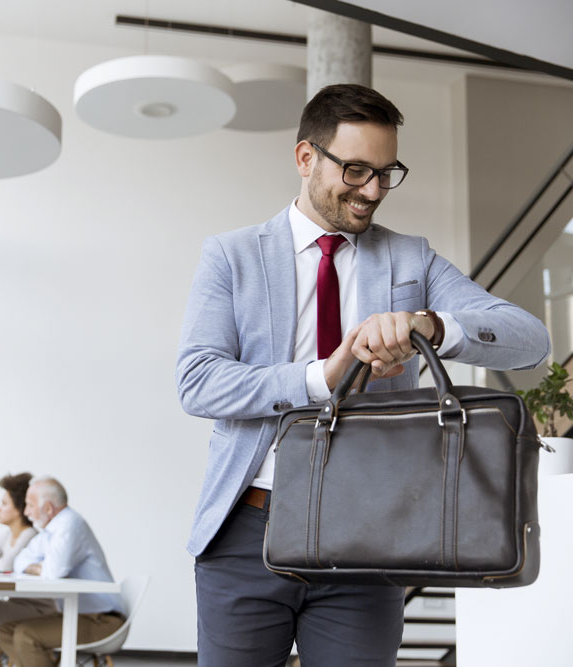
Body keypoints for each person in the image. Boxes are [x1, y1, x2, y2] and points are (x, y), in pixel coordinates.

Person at [176, 83, 551, 666]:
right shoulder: (232, 256)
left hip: (373, 533)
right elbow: (199, 381)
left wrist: (430, 325)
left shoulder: (411, 258)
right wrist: (321, 377)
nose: (373, 190)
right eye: (354, 170)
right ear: (306, 158)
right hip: (247, 529)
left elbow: (530, 337)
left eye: (386, 171)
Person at [0, 476, 124, 667]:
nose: (27, 512)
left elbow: (53, 571)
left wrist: (40, 568)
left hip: (101, 620)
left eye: (30, 505)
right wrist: (38, 567)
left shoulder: (70, 524)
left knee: (26, 635)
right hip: (72, 613)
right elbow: (20, 562)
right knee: (6, 631)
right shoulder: (49, 531)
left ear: (49, 508)